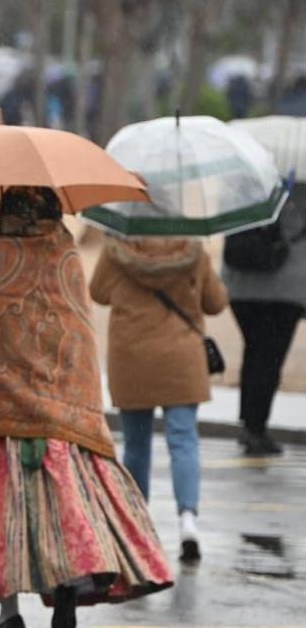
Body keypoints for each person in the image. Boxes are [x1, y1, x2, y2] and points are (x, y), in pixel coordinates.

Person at [0, 187, 173, 628]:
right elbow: (77, 333)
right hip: (57, 418)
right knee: (58, 509)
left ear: (6, 208)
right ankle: (69, 579)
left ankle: (9, 615)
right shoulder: (64, 251)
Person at [89, 233, 228, 561]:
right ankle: (188, 522)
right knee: (183, 440)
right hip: (181, 357)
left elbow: (98, 293)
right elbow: (216, 303)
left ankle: (138, 527)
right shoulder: (192, 249)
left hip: (133, 356)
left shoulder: (116, 249)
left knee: (136, 445)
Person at [223, 186, 304, 456]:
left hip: (241, 285)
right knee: (269, 359)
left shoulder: (244, 181)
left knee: (255, 351)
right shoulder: (300, 190)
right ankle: (256, 426)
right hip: (286, 289)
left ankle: (250, 423)